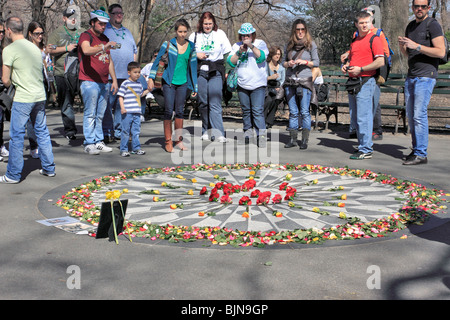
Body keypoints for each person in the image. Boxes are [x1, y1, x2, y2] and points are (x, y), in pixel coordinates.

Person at [0, 17, 55, 183]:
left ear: (9, 30)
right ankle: (49, 168)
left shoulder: (9, 49)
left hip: (23, 98)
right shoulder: (34, 48)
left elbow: (5, 79)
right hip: (39, 96)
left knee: (16, 135)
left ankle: (13, 175)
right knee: (42, 132)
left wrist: (14, 86)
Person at [398, 0, 446, 165]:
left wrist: (417, 46)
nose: (419, 9)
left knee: (419, 114)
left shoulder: (432, 25)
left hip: (426, 76)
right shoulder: (411, 26)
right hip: (411, 76)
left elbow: (441, 51)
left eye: (423, 6)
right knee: (411, 116)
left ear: (428, 8)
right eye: (416, 6)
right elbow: (408, 55)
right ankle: (416, 150)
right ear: (412, 8)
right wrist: (403, 46)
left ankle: (421, 154)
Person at [147, 19, 198, 153]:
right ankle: (168, 141)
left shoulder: (191, 46)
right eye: (180, 31)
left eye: (185, 32)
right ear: (176, 31)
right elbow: (157, 61)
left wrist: (195, 87)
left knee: (180, 111)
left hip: (183, 83)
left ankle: (178, 140)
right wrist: (151, 78)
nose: (182, 34)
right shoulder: (168, 44)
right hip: (169, 82)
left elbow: (193, 67)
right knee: (169, 110)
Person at [341, 7, 391, 141]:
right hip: (356, 79)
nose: (364, 24)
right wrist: (348, 61)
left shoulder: (377, 35)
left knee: (371, 107)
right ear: (357, 23)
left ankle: (374, 133)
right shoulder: (356, 36)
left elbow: (383, 57)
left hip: (371, 76)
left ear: (371, 20)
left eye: (367, 20)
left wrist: (363, 67)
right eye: (361, 21)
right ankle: (361, 138)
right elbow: (356, 53)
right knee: (359, 112)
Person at [78, 9, 118, 155]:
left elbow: (109, 61)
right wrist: (103, 47)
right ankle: (89, 143)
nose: (103, 27)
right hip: (89, 81)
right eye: (100, 24)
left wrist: (113, 80)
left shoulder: (105, 38)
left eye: (105, 25)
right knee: (90, 113)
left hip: (104, 82)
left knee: (100, 113)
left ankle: (98, 140)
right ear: (93, 22)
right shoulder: (85, 35)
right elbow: (86, 50)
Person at [189, 11, 232, 143]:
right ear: (201, 24)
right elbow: (187, 53)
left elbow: (228, 53)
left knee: (215, 102)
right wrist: (197, 55)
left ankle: (218, 132)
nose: (207, 26)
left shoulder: (220, 34)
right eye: (205, 23)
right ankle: (206, 130)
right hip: (200, 71)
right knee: (203, 102)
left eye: (210, 23)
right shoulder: (194, 36)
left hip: (216, 71)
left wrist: (228, 70)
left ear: (213, 24)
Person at [227, 23, 269, 147]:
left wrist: (251, 46)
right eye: (243, 35)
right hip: (242, 83)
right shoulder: (236, 45)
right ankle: (247, 133)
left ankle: (261, 135)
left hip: (258, 84)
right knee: (246, 110)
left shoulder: (260, 43)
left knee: (257, 110)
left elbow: (261, 57)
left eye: (248, 35)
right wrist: (239, 52)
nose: (245, 37)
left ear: (252, 34)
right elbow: (231, 62)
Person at [102, 3, 138, 143]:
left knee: (121, 106)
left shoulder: (127, 32)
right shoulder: (105, 31)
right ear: (110, 15)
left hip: (126, 77)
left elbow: (134, 51)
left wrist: (133, 71)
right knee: (107, 105)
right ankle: (106, 132)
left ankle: (118, 132)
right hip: (111, 76)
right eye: (116, 13)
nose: (119, 15)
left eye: (121, 13)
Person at [282, 19, 319, 150]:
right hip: (290, 81)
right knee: (293, 112)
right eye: (298, 29)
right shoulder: (288, 45)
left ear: (306, 30)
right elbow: (283, 63)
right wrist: (289, 63)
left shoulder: (311, 45)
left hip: (304, 82)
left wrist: (305, 62)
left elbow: (316, 62)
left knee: (304, 111)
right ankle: (292, 139)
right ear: (294, 31)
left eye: (303, 29)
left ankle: (304, 140)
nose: (300, 32)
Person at [47, 5, 83, 141]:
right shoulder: (57, 33)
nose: (73, 20)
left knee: (88, 102)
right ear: (64, 18)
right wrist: (66, 48)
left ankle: (92, 132)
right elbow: (49, 49)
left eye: (75, 18)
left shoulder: (83, 31)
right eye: (70, 17)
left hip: (81, 74)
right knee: (66, 103)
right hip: (62, 73)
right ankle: (70, 131)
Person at [118, 61, 147, 157]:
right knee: (126, 131)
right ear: (129, 72)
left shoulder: (139, 84)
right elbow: (120, 96)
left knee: (136, 131)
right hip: (127, 111)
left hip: (137, 112)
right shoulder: (125, 83)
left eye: (139, 72)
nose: (137, 74)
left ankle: (136, 148)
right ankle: (123, 149)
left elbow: (139, 95)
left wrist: (148, 90)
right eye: (135, 72)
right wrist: (122, 108)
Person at [264, 46, 285, 129]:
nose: (277, 56)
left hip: (276, 88)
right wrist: (270, 77)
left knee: (276, 100)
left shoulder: (282, 68)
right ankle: (263, 120)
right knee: (268, 100)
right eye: (276, 54)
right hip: (266, 87)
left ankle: (269, 121)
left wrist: (279, 86)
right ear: (271, 55)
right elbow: (261, 78)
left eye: (279, 54)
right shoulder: (266, 65)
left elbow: (283, 79)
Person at [0, 19, 8, 161]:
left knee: (0, 120)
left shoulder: (3, 48)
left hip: (1, 89)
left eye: (2, 31)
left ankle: (0, 146)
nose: (1, 34)